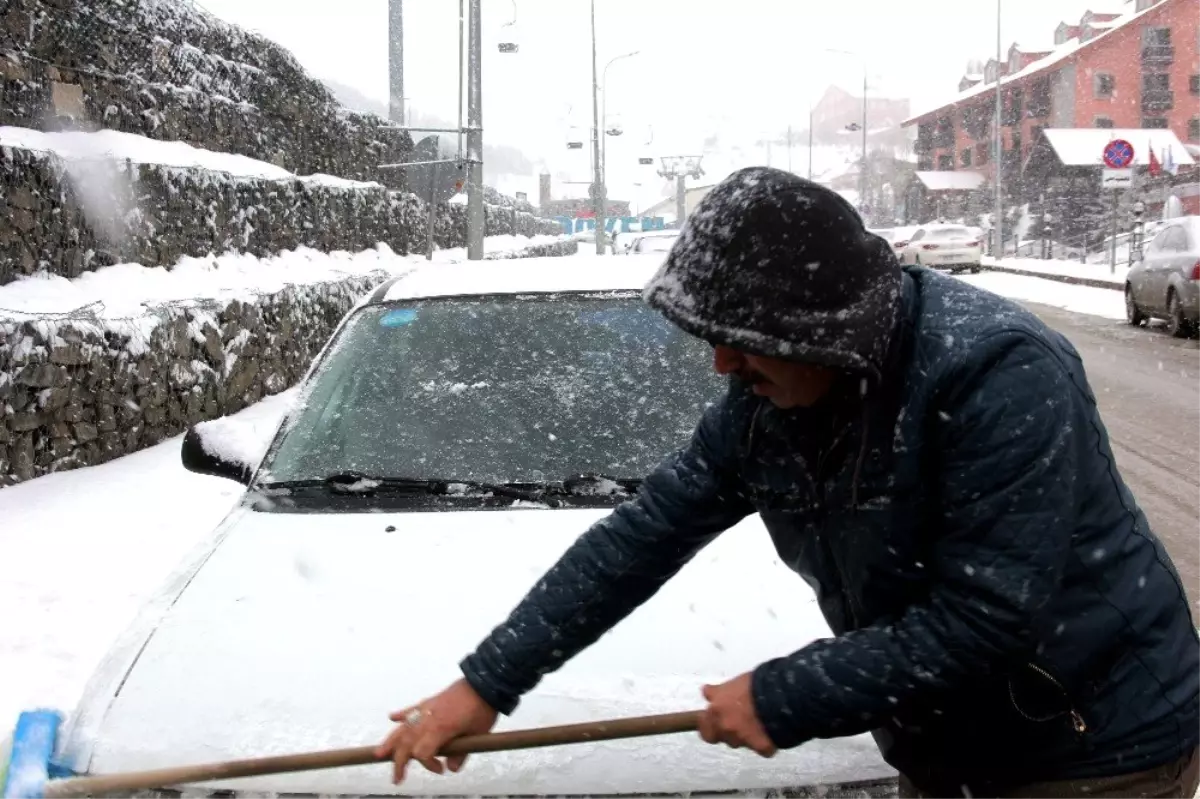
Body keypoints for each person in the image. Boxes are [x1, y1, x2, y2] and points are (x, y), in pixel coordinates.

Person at [376, 167, 1200, 799]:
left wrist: (784, 693)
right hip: (944, 744)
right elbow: (639, 539)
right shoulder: (765, 406)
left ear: (824, 332)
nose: (721, 364)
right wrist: (484, 684)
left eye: (741, 339)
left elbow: (983, 621)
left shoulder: (997, 374)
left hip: (1096, 746)